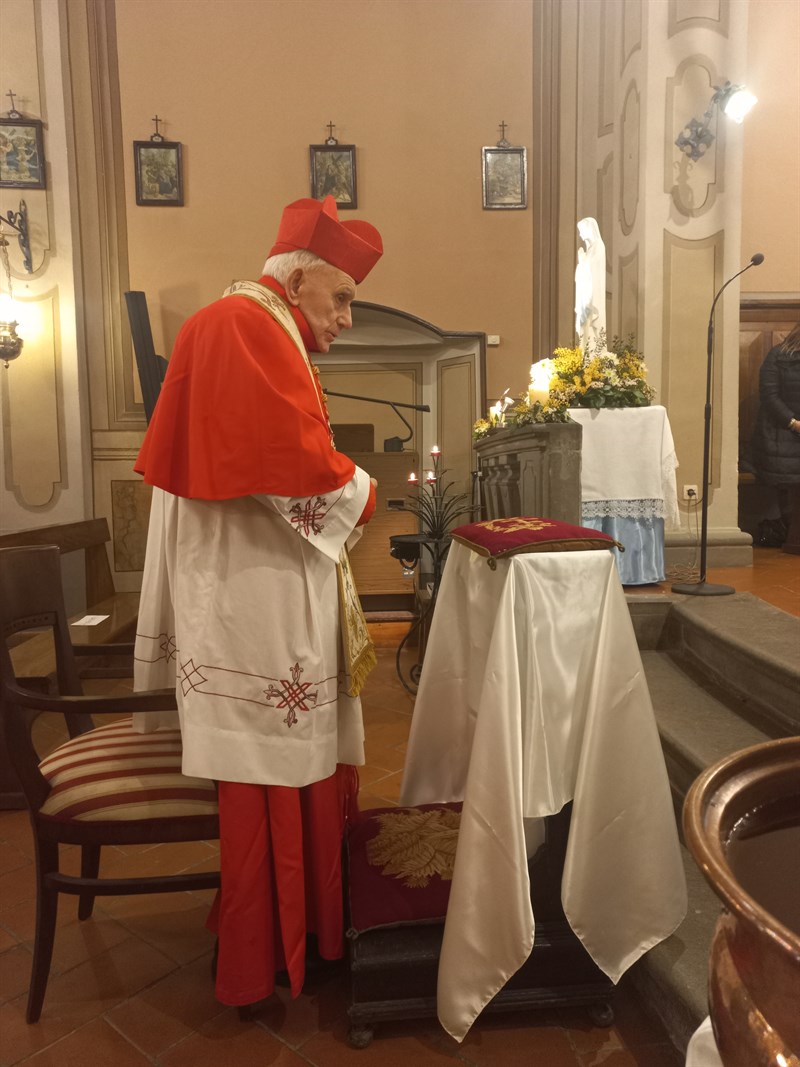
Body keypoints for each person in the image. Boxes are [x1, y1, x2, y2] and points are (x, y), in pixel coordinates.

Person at [132, 195, 383, 1010]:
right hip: (253, 597)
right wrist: (368, 489)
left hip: (247, 584)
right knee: (270, 775)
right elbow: (294, 467)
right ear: (300, 276)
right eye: (341, 297)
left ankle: (300, 927)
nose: (346, 318)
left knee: (282, 767)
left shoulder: (254, 324)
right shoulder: (245, 324)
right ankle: (271, 948)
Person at [751, 323, 800, 552]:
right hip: (781, 434)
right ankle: (794, 538)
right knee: (791, 481)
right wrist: (793, 422)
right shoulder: (778, 355)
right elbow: (769, 395)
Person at [574, 217, 607, 354]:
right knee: (583, 328)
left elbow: (593, 269)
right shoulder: (589, 250)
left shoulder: (598, 246)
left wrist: (583, 260)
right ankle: (586, 355)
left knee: (590, 328)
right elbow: (581, 275)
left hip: (591, 296)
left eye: (582, 231)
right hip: (584, 295)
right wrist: (582, 260)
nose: (580, 234)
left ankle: (593, 355)